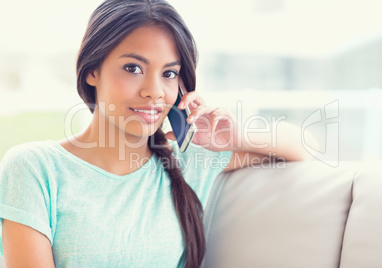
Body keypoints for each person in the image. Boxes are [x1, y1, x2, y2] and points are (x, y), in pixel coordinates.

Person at [0, 0, 315, 267]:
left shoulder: (185, 164)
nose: (154, 91)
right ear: (93, 70)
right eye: (133, 68)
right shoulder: (35, 168)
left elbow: (306, 144)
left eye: (169, 74)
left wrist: (233, 137)